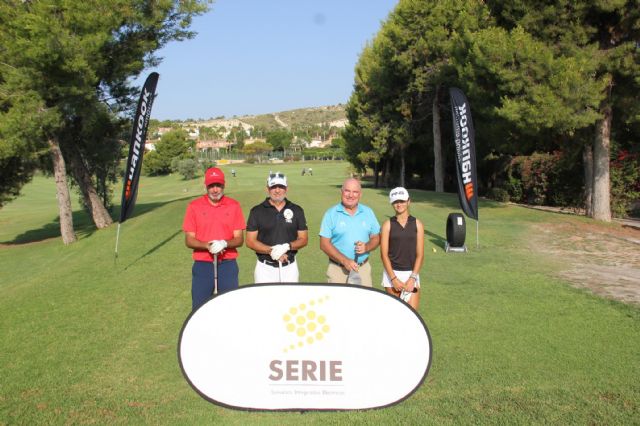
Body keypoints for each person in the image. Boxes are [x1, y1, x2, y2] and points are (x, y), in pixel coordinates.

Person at [182, 167, 245, 310]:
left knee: (229, 307)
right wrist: (207, 246)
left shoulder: (234, 206)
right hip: (203, 265)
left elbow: (239, 239)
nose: (215, 190)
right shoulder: (194, 207)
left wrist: (224, 243)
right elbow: (189, 240)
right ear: (206, 186)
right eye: (211, 186)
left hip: (227, 264)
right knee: (199, 308)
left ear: (224, 185)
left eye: (218, 185)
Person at [246, 172, 308, 283]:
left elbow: (303, 239)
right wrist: (272, 251)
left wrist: (287, 247)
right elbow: (250, 241)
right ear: (267, 189)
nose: (277, 190)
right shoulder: (256, 211)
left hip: (289, 269)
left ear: (286, 188)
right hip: (265, 270)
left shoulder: (297, 210)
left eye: (281, 187)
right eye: (273, 187)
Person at [319, 178, 380, 286]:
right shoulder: (331, 214)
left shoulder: (368, 212)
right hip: (338, 270)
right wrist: (345, 261)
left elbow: (376, 237)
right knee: (338, 302)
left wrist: (367, 247)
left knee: (364, 302)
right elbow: (324, 244)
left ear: (360, 194)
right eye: (347, 191)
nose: (351, 195)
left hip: (363, 269)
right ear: (341, 192)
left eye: (355, 192)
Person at [380, 187, 424, 310]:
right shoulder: (387, 224)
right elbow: (384, 254)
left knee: (412, 315)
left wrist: (412, 278)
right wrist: (393, 279)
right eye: (395, 202)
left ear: (408, 201)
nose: (399, 204)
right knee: (395, 315)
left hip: (411, 274)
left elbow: (420, 255)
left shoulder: (418, 224)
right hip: (392, 274)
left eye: (402, 201)